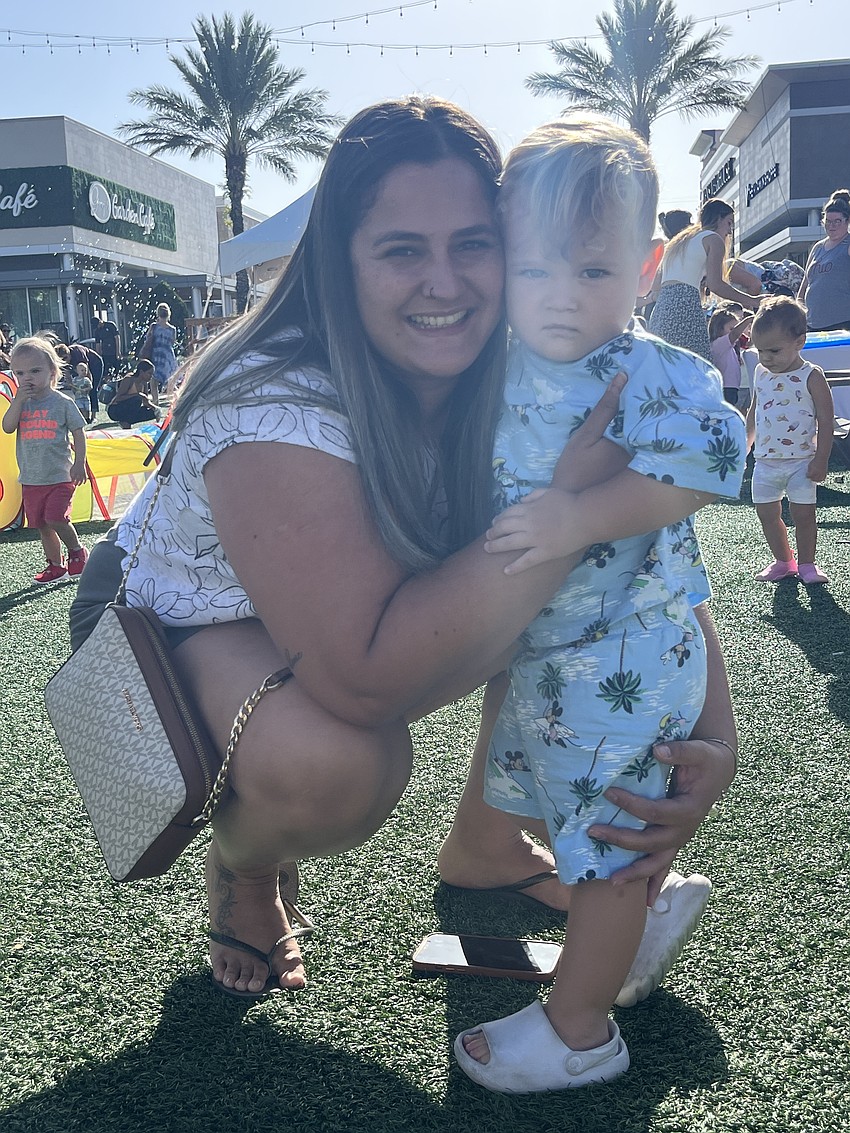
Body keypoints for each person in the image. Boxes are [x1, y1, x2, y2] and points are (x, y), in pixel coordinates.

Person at [69, 96, 737, 1002]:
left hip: (371, 600)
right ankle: (246, 864)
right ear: (340, 262)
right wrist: (566, 507)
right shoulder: (277, 400)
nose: (446, 282)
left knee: (544, 580)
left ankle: (487, 842)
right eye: (400, 250)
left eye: (473, 244)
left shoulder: (543, 339)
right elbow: (367, 678)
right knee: (339, 762)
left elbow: (648, 540)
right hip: (180, 618)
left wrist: (718, 733)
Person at [451, 118, 746, 1094]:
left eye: (591, 270)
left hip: (623, 651)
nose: (561, 298)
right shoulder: (502, 362)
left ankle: (581, 1026)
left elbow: (708, 463)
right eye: (534, 270)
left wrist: (581, 509)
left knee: (609, 837)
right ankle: (640, 916)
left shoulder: (648, 368)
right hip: (554, 654)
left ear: (647, 263)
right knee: (573, 817)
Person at [746, 296, 833, 584]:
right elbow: (754, 409)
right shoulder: (760, 372)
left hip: (801, 461)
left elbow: (825, 419)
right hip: (765, 461)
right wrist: (746, 443)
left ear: (799, 342)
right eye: (760, 350)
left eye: (773, 350)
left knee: (804, 513)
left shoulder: (812, 375)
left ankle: (808, 564)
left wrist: (821, 459)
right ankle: (784, 561)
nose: (766, 357)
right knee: (766, 513)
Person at [2, 337, 89, 584]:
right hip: (31, 478)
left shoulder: (62, 402)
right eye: (20, 373)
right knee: (42, 525)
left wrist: (79, 462)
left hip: (60, 476)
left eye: (35, 371)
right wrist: (18, 401)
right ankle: (55, 565)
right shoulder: (21, 404)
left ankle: (77, 551)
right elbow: (7, 427)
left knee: (55, 517)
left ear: (52, 371)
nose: (27, 378)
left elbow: (78, 431)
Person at [649, 198, 759, 361]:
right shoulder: (713, 240)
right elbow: (716, 285)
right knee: (695, 368)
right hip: (685, 307)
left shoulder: (678, 242)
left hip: (660, 311)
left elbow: (656, 286)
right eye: (729, 223)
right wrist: (753, 300)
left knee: (666, 370)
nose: (729, 231)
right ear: (718, 218)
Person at [798, 189, 850, 332]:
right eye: (828, 221)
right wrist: (799, 308)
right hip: (812, 323)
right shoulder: (817, 247)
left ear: (847, 221)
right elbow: (805, 284)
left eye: (837, 221)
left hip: (842, 323)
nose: (832, 226)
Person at [709, 307, 754, 407]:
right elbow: (735, 334)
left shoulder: (732, 346)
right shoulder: (718, 344)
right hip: (724, 388)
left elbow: (749, 342)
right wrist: (748, 320)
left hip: (732, 387)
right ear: (719, 328)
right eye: (731, 328)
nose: (735, 332)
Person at [140, 303, 178, 405]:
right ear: (168, 314)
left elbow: (147, 339)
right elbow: (172, 342)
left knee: (154, 382)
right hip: (168, 357)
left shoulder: (154, 326)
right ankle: (177, 399)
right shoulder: (172, 329)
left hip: (156, 355)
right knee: (170, 381)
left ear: (158, 313)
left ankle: (156, 403)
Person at [106, 359, 161, 427]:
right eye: (149, 373)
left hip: (129, 410)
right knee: (137, 399)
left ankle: (125, 422)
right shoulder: (129, 379)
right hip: (115, 409)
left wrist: (156, 409)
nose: (151, 376)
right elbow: (118, 398)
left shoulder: (144, 383)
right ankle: (125, 422)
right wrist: (137, 395)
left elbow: (145, 402)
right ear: (141, 372)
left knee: (152, 412)